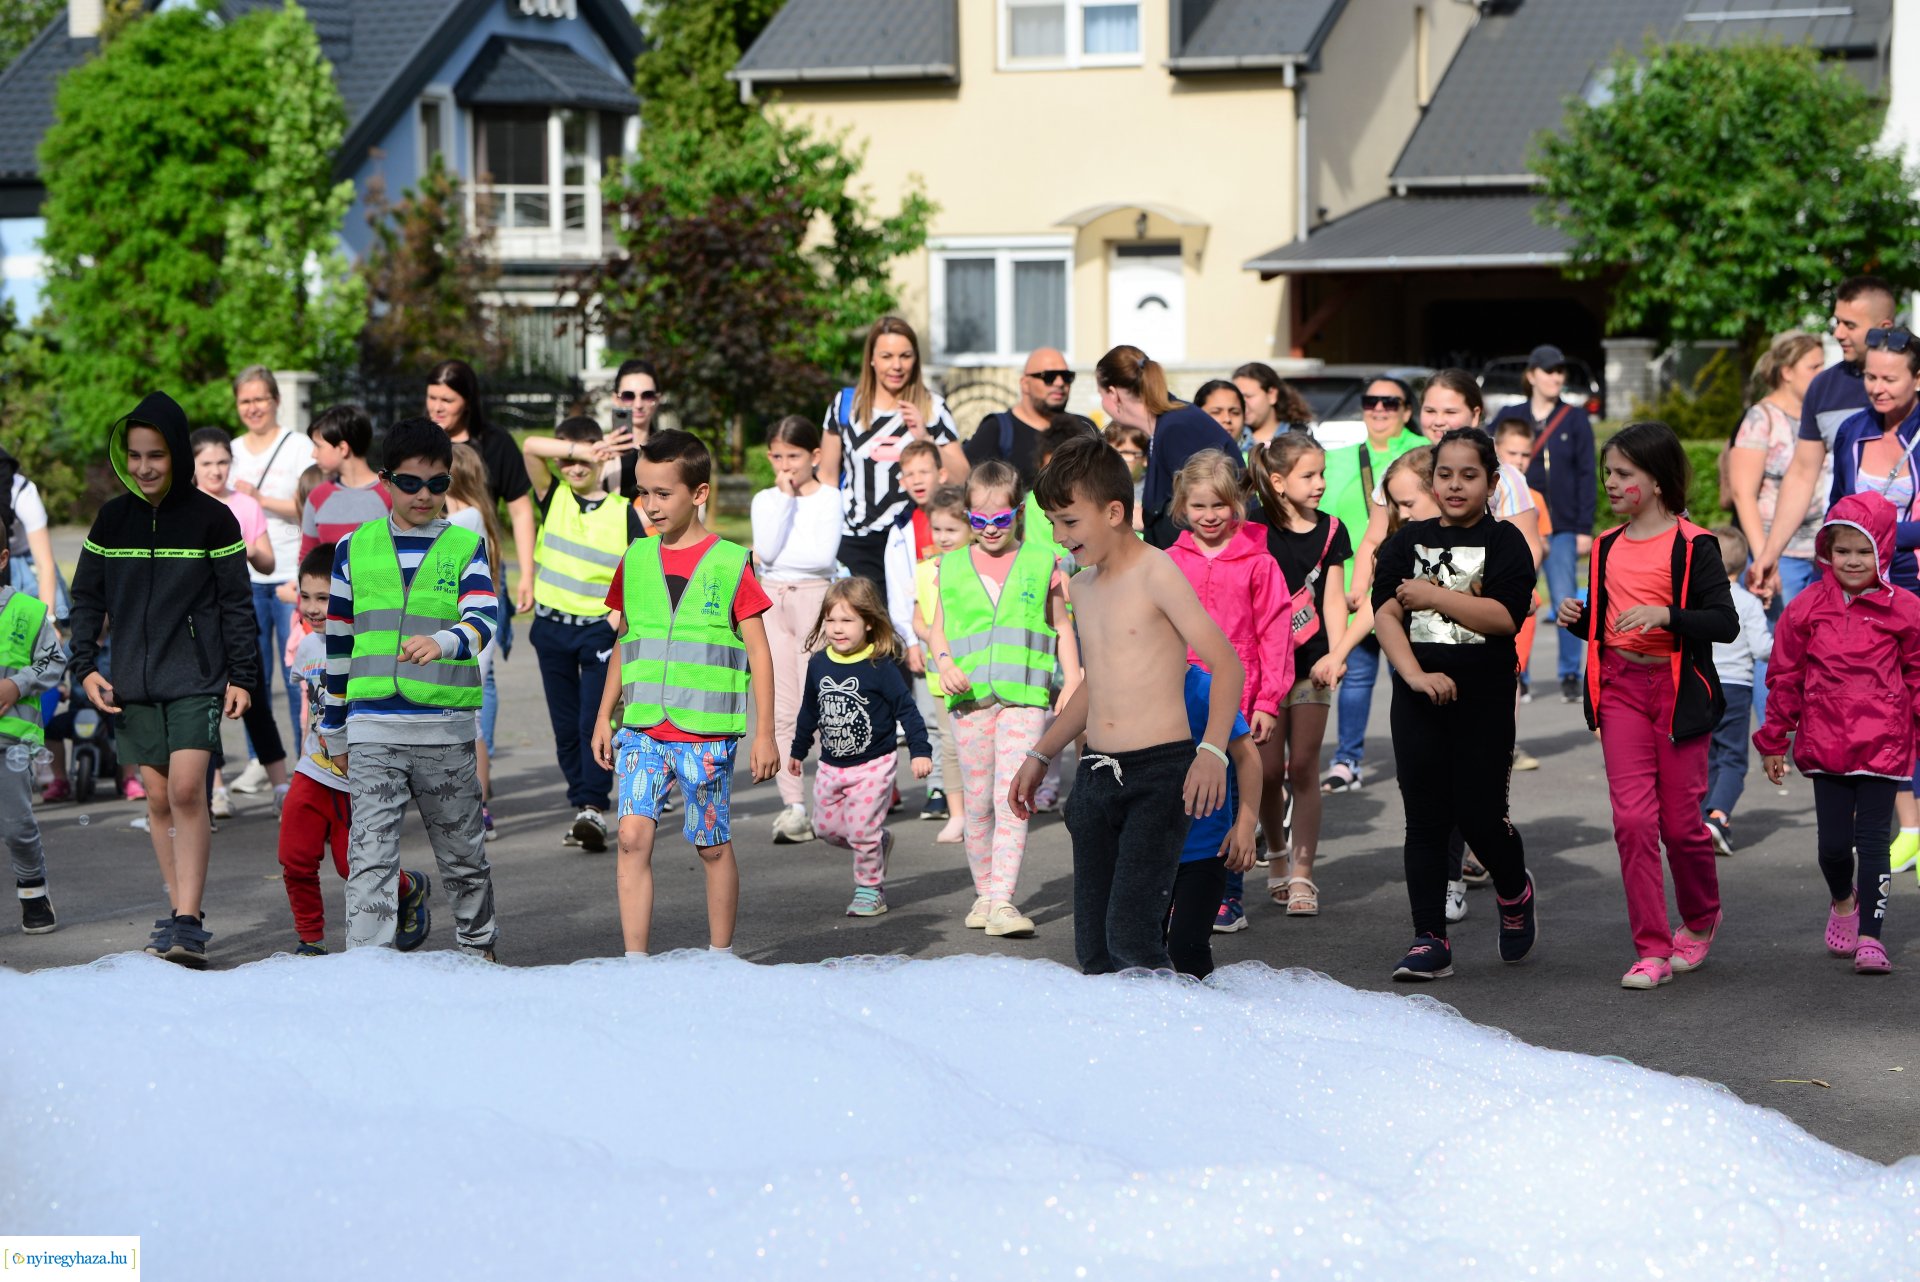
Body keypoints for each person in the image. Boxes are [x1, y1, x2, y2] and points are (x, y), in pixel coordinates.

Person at [1012, 436, 1245, 975]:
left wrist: (1212, 751)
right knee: (1094, 947)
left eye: (1069, 521)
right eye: (1051, 522)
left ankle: (1168, 1024)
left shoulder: (1157, 571)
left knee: (1132, 936)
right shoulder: (1081, 587)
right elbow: (1094, 684)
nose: (1058, 535)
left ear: (1114, 512)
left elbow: (1227, 664)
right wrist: (1041, 753)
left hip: (1158, 776)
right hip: (1096, 774)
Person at [71, 391, 258, 969]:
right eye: (135, 455)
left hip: (198, 678)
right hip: (131, 681)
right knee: (156, 798)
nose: (145, 467)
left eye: (156, 454)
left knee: (185, 790)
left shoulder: (213, 518)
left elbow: (236, 603)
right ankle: (176, 910)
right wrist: (85, 666)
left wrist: (243, 676)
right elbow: (86, 596)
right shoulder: (112, 518)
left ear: (176, 453)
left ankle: (190, 919)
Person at [1558, 422, 1738, 990]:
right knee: (1633, 822)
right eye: (1607, 472)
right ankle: (1652, 949)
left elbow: (1724, 623)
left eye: (1623, 473)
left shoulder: (1696, 545)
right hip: (1620, 690)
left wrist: (1668, 615)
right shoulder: (1606, 546)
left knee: (1681, 827)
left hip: (1678, 694)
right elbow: (1610, 624)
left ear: (1657, 481)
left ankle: (1701, 917)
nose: (1611, 483)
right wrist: (1579, 620)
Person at [589, 429, 780, 957]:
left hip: (707, 735)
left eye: (662, 493)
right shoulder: (635, 559)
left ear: (698, 493)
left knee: (711, 847)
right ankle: (635, 962)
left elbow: (760, 654)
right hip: (643, 729)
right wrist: (604, 715)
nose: (650, 505)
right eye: (642, 492)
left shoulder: (731, 562)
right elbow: (626, 641)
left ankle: (720, 958)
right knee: (631, 837)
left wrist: (766, 733)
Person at [321, 417, 500, 958]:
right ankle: (368, 967)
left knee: (463, 855)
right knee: (370, 857)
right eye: (410, 483)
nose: (424, 495)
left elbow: (484, 617)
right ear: (385, 480)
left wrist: (445, 642)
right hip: (372, 729)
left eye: (437, 483)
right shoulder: (353, 548)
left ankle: (479, 952)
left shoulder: (465, 545)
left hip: (445, 730)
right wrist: (333, 727)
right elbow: (338, 644)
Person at [1371, 428, 1539, 981]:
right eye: (1445, 474)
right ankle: (1429, 939)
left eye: (1469, 475)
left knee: (1481, 818)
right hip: (1418, 698)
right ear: (1432, 481)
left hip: (1484, 699)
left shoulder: (1505, 541)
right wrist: (1414, 675)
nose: (1455, 484)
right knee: (1425, 820)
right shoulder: (1406, 541)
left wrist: (1434, 596)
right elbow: (1386, 614)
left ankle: (1514, 891)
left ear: (1491, 482)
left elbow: (1505, 617)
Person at [1755, 492, 1920, 974]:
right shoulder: (1806, 607)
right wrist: (1773, 739)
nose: (1852, 560)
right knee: (1832, 847)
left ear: (1883, 550)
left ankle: (1871, 937)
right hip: (1825, 743)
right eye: (1842, 550)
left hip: (1884, 743)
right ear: (1826, 551)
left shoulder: (1906, 609)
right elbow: (1785, 676)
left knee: (1873, 842)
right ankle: (1843, 901)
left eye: (1864, 551)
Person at [929, 459, 1080, 938]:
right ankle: (984, 894)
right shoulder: (951, 566)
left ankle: (1002, 901)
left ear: (1018, 512)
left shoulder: (1041, 560)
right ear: (968, 515)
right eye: (978, 519)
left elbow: (1061, 625)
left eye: (1000, 518)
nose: (990, 528)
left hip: (1025, 699)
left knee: (1012, 796)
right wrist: (945, 664)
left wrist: (1073, 680)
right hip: (969, 700)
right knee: (977, 803)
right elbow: (937, 632)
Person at [1162, 450, 1293, 932]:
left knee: (1229, 801)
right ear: (1182, 506)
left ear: (1237, 503)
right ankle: (1177, 890)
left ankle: (1228, 896)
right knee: (1179, 797)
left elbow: (1275, 633)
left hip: (1240, 697)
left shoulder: (1260, 562)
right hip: (1176, 698)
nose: (1209, 515)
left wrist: (1268, 700)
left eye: (1219, 504)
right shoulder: (1168, 562)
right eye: (1198, 506)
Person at [277, 543, 424, 955]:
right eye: (306, 596)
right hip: (312, 769)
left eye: (324, 598)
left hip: (357, 775)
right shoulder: (307, 647)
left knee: (353, 866)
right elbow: (311, 707)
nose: (313, 608)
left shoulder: (367, 645)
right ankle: (310, 940)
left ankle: (408, 887)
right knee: (294, 857)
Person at [521, 416, 646, 854]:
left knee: (595, 721)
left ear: (602, 458)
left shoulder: (622, 510)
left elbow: (639, 567)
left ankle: (593, 805)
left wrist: (616, 620)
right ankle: (581, 805)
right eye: (568, 457)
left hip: (597, 632)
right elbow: (530, 447)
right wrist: (580, 450)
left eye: (586, 457)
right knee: (564, 727)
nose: (575, 467)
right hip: (551, 629)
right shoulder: (552, 495)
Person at [1247, 431, 1351, 918]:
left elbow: (1334, 600)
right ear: (1277, 481)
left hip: (1312, 664)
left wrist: (1338, 653)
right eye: (1309, 475)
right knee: (1267, 772)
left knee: (1303, 767)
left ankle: (1303, 875)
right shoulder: (1252, 526)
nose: (1320, 483)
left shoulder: (1332, 530)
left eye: (1322, 473)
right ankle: (1276, 853)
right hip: (1263, 668)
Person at [787, 578, 932, 917]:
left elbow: (907, 711)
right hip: (831, 765)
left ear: (868, 622)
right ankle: (878, 842)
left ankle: (870, 889)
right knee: (825, 829)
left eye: (847, 620)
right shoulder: (819, 663)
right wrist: (798, 749)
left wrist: (920, 750)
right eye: (831, 619)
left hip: (874, 765)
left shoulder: (880, 666)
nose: (837, 628)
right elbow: (809, 710)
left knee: (862, 830)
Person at [1752, 276, 1901, 599]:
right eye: (1837, 322)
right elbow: (1802, 474)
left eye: (1850, 325)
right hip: (1849, 564)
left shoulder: (1913, 383)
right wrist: (1771, 552)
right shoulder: (1823, 387)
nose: (1838, 333)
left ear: (1884, 327)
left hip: (1908, 562)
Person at [1317, 375, 1426, 793]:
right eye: (1370, 400)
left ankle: (1419, 757)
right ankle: (1347, 759)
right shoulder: (1338, 457)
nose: (1379, 408)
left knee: (1410, 677)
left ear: (1407, 410)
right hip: (1357, 586)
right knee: (1358, 676)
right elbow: (1341, 528)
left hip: (1410, 589)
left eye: (1389, 402)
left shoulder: (1425, 452)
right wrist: (1355, 582)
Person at [425, 359, 534, 755]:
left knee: (480, 674)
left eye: (447, 400)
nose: (437, 407)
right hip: (428, 575)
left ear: (468, 402)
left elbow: (520, 510)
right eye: (432, 397)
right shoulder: (419, 440)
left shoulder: (495, 443)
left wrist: (527, 575)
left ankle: (477, 764)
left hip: (482, 572)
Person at [818, 317, 968, 590]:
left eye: (905, 356)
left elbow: (961, 475)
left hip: (916, 536)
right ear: (871, 359)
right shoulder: (845, 405)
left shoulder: (932, 407)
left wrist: (925, 438)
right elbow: (826, 478)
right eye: (886, 356)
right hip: (856, 541)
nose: (896, 366)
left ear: (915, 359)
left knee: (916, 614)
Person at [750, 414, 842, 845]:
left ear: (815, 456)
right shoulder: (766, 500)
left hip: (814, 599)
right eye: (777, 457)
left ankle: (830, 799)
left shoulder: (829, 499)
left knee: (822, 701)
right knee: (781, 706)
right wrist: (785, 498)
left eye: (794, 456)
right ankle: (794, 806)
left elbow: (821, 557)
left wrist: (779, 554)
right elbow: (767, 551)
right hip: (771, 600)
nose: (785, 466)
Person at [1489, 344, 1596, 704]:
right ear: (1532, 375)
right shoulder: (1511, 414)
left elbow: (1587, 474)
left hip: (1563, 524)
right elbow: (1488, 454)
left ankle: (1570, 674)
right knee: (1516, 596)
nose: (1556, 377)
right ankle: (1519, 672)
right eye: (1549, 370)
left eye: (1560, 371)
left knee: (1565, 599)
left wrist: (1584, 527)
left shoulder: (1574, 417)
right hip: (1517, 519)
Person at [190, 428, 288, 819]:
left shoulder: (245, 505)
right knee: (206, 707)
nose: (216, 470)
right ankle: (215, 791)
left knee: (256, 699)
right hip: (198, 622)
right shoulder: (186, 507)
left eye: (222, 462)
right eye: (207, 463)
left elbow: (268, 562)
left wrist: (241, 549)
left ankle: (281, 787)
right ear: (192, 465)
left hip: (239, 616)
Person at [226, 366, 311, 787]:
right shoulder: (230, 451)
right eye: (245, 401)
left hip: (291, 576)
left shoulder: (298, 447)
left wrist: (259, 498)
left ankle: (305, 761)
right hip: (244, 578)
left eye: (260, 398)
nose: (253, 407)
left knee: (298, 675)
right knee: (251, 677)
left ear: (276, 400)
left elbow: (308, 503)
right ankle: (259, 760)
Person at [1165, 663, 1261, 979]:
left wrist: (1245, 825)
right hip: (1146, 848)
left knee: (1186, 948)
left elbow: (1247, 757)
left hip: (1204, 849)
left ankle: (1207, 1006)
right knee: (1141, 949)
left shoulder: (1204, 688)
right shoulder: (1129, 686)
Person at [1102, 345, 1242, 548]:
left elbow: (1202, 511)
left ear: (1113, 394)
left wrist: (1146, 521)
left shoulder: (1175, 428)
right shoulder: (1165, 425)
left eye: (1101, 395)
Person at [0, 523, 66, 934]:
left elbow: (54, 660)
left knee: (16, 826)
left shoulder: (26, 610)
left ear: (3, 559)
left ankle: (33, 889)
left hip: (10, 740)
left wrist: (17, 684)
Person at [881, 437, 952, 818]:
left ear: (942, 473)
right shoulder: (901, 528)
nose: (918, 479)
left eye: (925, 471)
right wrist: (909, 640)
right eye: (909, 474)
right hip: (923, 634)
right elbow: (898, 591)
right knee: (929, 713)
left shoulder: (962, 515)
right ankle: (938, 785)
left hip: (964, 630)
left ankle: (970, 784)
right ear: (901, 481)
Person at [445, 442, 510, 841]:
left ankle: (479, 805)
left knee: (470, 720)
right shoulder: (471, 514)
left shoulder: (465, 517)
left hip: (469, 628)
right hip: (463, 626)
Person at [1701, 526, 1773, 857]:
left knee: (1703, 754)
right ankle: (1718, 816)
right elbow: (1761, 649)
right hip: (1735, 687)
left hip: (1699, 683)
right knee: (1731, 757)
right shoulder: (1747, 602)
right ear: (1743, 566)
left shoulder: (1697, 600)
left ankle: (1701, 819)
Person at [911, 484, 970, 844]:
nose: (943, 536)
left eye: (952, 529)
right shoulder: (924, 570)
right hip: (940, 673)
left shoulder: (978, 567)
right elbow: (918, 618)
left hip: (975, 670)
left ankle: (983, 810)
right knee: (949, 744)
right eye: (937, 529)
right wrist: (933, 636)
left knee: (979, 746)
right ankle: (957, 814)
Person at [962, 347, 1073, 486]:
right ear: (1025, 384)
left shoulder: (1084, 427)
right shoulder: (996, 429)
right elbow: (966, 484)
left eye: (1067, 376)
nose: (1060, 383)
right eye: (1049, 377)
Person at [299, 405, 391, 558]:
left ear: (343, 448)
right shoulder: (317, 497)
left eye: (318, 446)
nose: (313, 454)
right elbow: (307, 558)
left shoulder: (390, 494)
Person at [4, 453, 68, 620]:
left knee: (45, 613)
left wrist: (48, 619)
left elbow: (44, 563)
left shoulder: (21, 490)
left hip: (24, 558)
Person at [609, 357, 663, 501]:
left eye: (647, 395)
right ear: (615, 399)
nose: (638, 404)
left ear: (657, 399)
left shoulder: (671, 451)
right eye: (628, 396)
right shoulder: (601, 450)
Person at [1233, 361, 1314, 454]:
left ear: (1272, 395)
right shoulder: (1232, 440)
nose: (1242, 403)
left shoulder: (1300, 438)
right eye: (1238, 398)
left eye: (1248, 396)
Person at [1104, 422, 1150, 528]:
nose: (1114, 459)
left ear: (1145, 458)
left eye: (1125, 453)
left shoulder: (1153, 493)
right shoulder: (1092, 488)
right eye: (1110, 452)